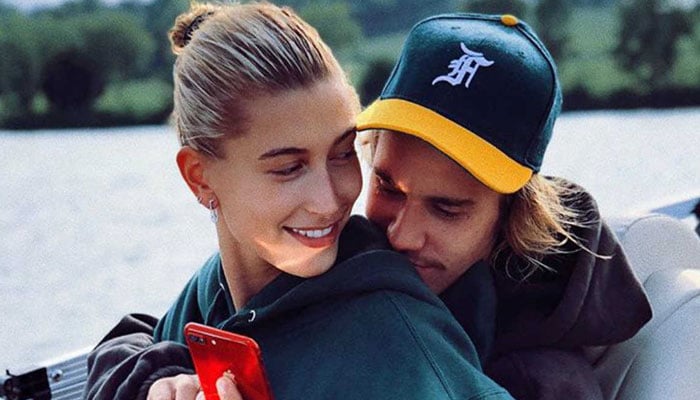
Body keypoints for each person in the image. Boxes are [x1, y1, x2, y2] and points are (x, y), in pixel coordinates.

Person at [83, 3, 512, 400]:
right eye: (289, 168)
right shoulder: (214, 289)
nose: (328, 202)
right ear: (200, 177)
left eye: (342, 153)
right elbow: (135, 346)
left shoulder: (398, 345)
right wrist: (154, 383)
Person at [355, 13, 653, 400]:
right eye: (388, 187)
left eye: (446, 209)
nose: (401, 236)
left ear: (513, 217)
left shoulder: (538, 385)